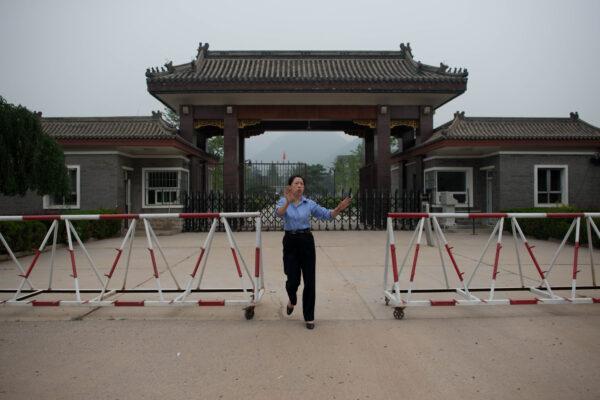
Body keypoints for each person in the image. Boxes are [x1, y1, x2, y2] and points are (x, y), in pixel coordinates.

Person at [275, 175, 351, 329]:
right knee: (292, 279)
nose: (299, 186)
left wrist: (338, 209)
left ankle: (309, 316)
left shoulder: (309, 203)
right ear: (290, 187)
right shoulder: (284, 201)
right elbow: (279, 214)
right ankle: (292, 300)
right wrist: (288, 202)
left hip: (306, 241)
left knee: (310, 280)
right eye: (296, 183)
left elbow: (327, 215)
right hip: (290, 241)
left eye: (302, 183)